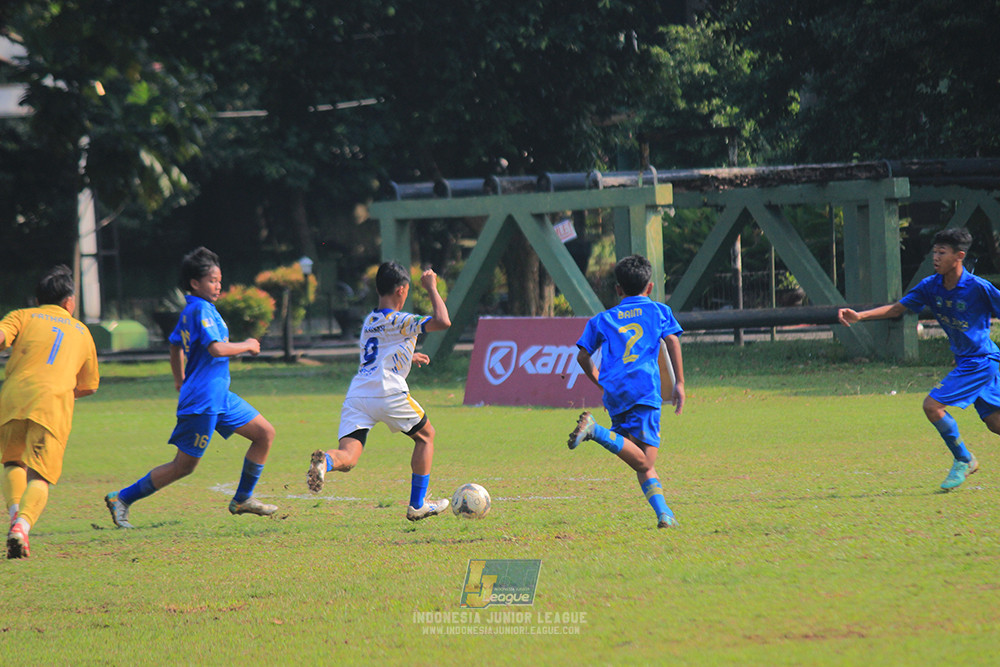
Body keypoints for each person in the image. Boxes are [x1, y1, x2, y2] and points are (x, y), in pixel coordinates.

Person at [104, 247, 278, 528]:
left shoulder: (194, 310)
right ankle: (121, 498)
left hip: (219, 397)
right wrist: (247, 344)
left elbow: (174, 345)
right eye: (212, 280)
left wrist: (178, 378)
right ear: (195, 283)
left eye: (219, 280)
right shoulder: (199, 310)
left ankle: (243, 498)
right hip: (203, 400)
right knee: (183, 467)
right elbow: (216, 349)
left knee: (265, 434)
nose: (218, 285)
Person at [839, 227, 1000, 491]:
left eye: (942, 252)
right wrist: (860, 316)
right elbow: (897, 309)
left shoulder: (978, 288)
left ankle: (964, 459)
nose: (935, 257)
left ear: (959, 256)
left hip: (981, 361)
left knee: (932, 406)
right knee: (995, 423)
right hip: (967, 362)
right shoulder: (931, 286)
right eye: (934, 252)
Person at [307, 261, 452, 521]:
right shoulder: (403, 320)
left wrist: (410, 355)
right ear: (402, 290)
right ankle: (418, 504)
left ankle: (325, 462)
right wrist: (432, 287)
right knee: (426, 436)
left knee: (349, 457)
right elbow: (443, 321)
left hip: (359, 394)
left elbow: (381, 350)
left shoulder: (370, 321)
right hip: (387, 391)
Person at [568, 254, 685, 529]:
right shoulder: (658, 311)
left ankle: (664, 513)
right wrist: (679, 382)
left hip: (616, 393)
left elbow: (583, 357)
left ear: (618, 289)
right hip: (643, 390)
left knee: (639, 459)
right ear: (651, 287)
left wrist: (600, 383)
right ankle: (595, 431)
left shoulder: (602, 319)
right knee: (646, 460)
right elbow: (671, 341)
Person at [1, 265, 100, 558]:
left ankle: (15, 516)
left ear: (37, 299)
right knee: (40, 476)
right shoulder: (82, 331)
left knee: (12, 463)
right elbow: (89, 386)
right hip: (52, 404)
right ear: (69, 301)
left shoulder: (22, 315)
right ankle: (22, 527)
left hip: (12, 400)